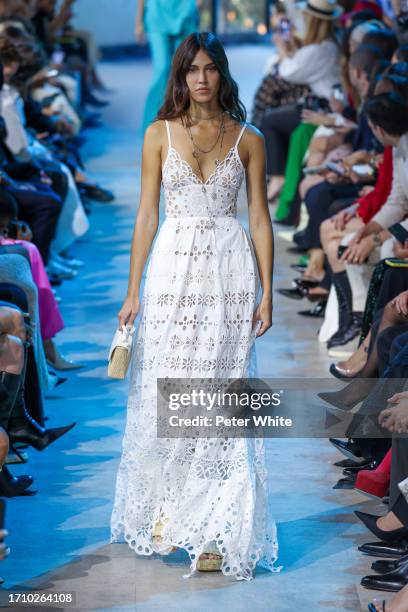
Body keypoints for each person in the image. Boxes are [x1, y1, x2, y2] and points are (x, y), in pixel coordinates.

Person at [110, 32, 279, 581]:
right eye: (192, 70)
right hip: (170, 274)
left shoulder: (248, 138)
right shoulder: (158, 135)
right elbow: (146, 215)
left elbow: (258, 216)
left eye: (210, 68)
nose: (202, 78)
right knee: (169, 387)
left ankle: (213, 529)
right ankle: (168, 507)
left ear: (223, 74)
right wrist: (133, 288)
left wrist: (267, 289)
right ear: (180, 77)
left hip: (229, 274)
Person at [135, 0, 199, 134]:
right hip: (157, 13)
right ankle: (151, 125)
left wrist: (196, 4)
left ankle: (182, 123)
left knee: (183, 69)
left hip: (185, 12)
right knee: (162, 69)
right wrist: (139, 21)